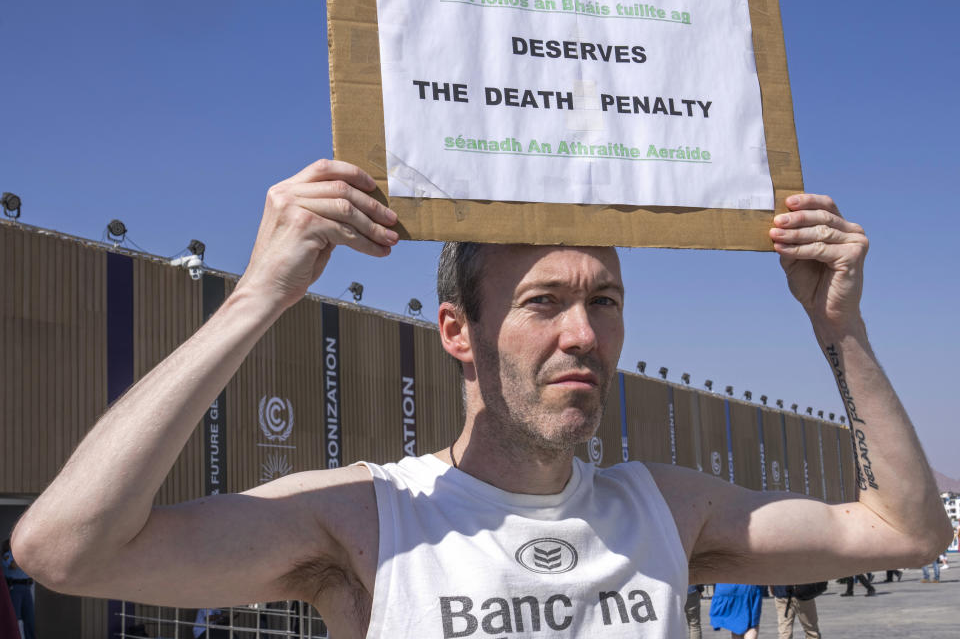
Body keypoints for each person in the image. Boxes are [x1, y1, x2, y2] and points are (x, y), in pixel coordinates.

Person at [9, 161, 954, 637]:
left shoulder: (665, 510)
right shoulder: (369, 520)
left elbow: (906, 531)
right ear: (457, 331)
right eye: (543, 303)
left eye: (605, 302)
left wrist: (840, 327)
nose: (582, 333)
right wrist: (260, 295)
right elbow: (65, 550)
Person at [2, 538, 35, 639]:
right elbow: (13, 566)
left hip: (26, 589)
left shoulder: (25, 556)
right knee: (14, 619)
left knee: (30, 619)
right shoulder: (7, 555)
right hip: (15, 588)